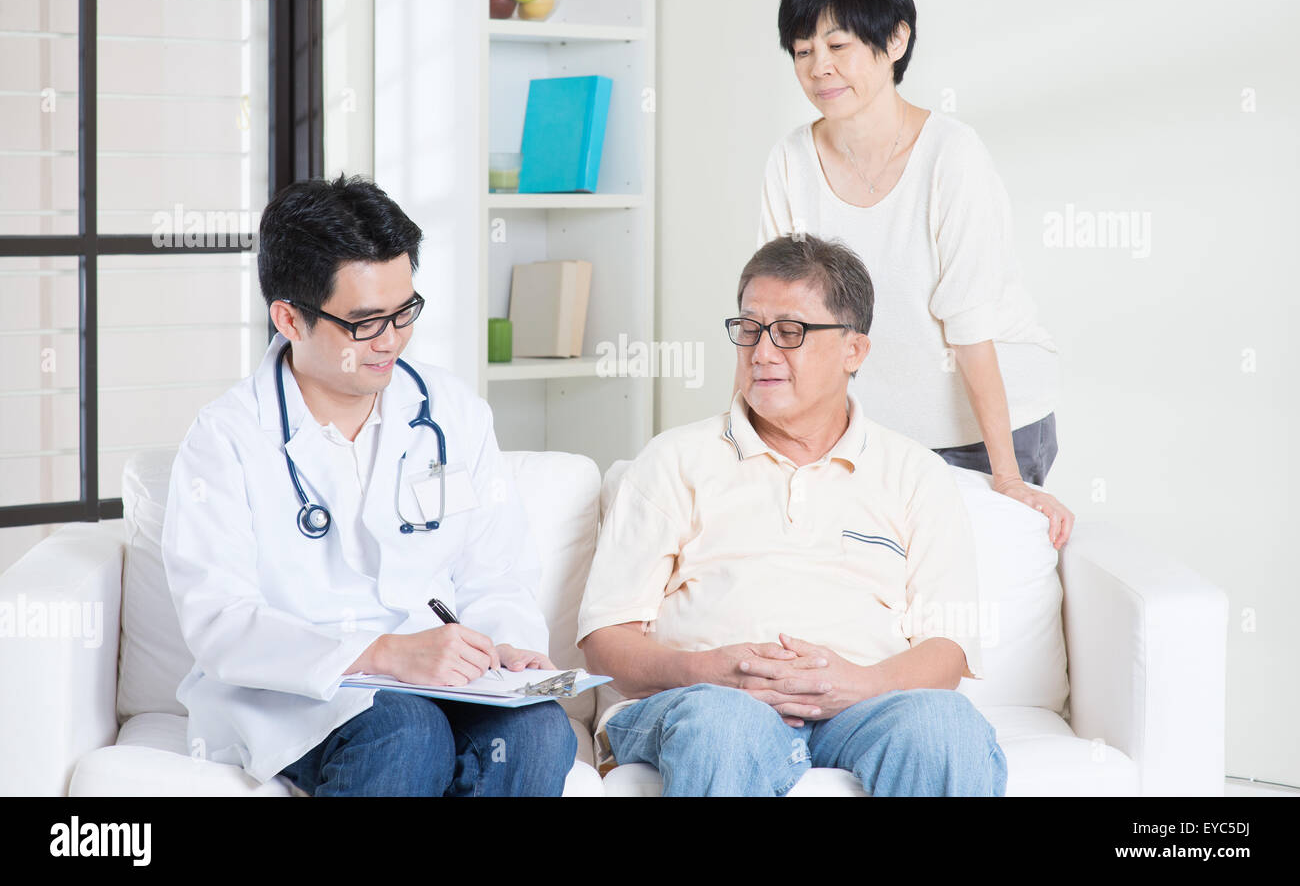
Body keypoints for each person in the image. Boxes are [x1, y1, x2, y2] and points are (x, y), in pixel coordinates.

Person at [161, 175, 576, 796]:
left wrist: (507, 648)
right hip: (300, 694)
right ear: (290, 318)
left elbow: (496, 570)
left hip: (443, 682)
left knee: (539, 730)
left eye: (404, 311)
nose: (392, 341)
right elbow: (222, 621)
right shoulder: (225, 439)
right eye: (365, 322)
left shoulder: (451, 412)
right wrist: (380, 653)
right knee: (407, 732)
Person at [577, 234, 1006, 797]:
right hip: (705, 705)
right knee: (726, 727)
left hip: (861, 710)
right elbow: (604, 637)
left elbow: (947, 649)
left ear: (854, 351)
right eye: (750, 329)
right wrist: (710, 671)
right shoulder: (674, 460)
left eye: (790, 331)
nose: (762, 352)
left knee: (946, 727)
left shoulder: (915, 473)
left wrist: (856, 684)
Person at [760, 0, 1073, 549]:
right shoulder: (790, 160)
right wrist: (744, 444)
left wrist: (1006, 476)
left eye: (839, 45)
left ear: (896, 40)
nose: (819, 67)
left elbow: (969, 324)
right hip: (873, 430)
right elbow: (771, 316)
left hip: (985, 429)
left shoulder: (951, 155)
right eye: (803, 52)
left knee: (971, 609)